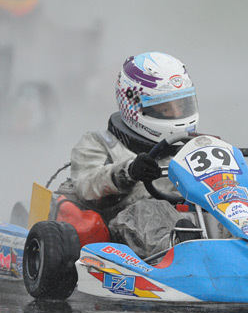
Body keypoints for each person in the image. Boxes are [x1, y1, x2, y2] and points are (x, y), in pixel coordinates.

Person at [69, 51, 199, 258]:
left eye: (181, 105)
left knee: (227, 211)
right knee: (151, 209)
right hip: (123, 227)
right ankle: (182, 254)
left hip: (188, 219)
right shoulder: (99, 143)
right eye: (165, 108)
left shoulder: (193, 148)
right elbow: (86, 185)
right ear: (134, 105)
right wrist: (128, 172)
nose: (176, 114)